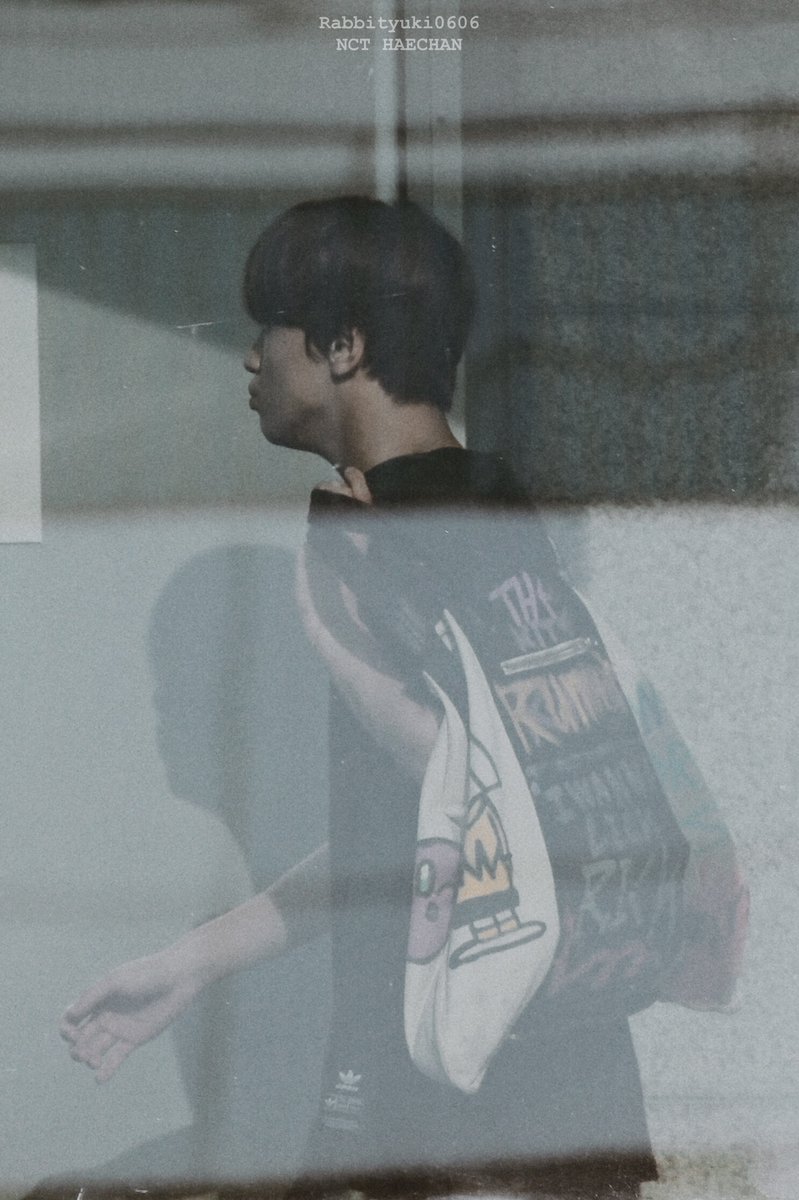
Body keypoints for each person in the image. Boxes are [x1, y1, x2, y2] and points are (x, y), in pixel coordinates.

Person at [61, 197, 662, 1199]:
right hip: (558, 1081)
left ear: (343, 346)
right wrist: (194, 961)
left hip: (462, 1111)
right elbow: (427, 817)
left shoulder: (369, 533)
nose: (250, 360)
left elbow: (471, 794)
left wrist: (342, 648)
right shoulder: (490, 499)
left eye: (269, 328)